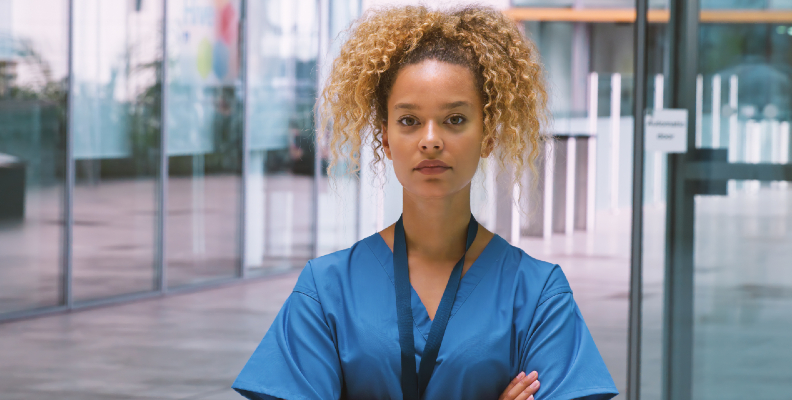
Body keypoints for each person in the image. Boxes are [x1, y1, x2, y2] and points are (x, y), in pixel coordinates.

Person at [233, 6, 618, 400]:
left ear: (487, 135)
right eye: (408, 121)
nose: (430, 140)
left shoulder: (537, 295)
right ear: (384, 137)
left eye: (454, 119)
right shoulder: (327, 289)